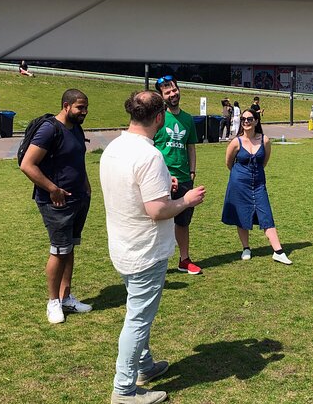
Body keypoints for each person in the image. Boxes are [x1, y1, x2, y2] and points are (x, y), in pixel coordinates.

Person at [101, 91, 206, 404]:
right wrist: (185, 200)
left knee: (139, 311)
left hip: (122, 247)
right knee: (138, 319)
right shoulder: (149, 155)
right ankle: (124, 390)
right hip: (144, 251)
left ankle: (144, 365)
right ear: (159, 118)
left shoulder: (115, 147)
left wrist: (165, 187)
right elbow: (157, 211)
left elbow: (135, 191)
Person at [20, 89, 91, 324]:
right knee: (58, 251)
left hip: (78, 198)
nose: (84, 112)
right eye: (80, 107)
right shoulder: (50, 129)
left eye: (86, 107)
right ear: (66, 105)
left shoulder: (76, 128)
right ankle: (53, 302)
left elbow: (76, 160)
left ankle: (66, 297)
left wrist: (86, 186)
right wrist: (53, 189)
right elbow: (27, 164)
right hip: (56, 202)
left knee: (69, 248)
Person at [222, 108, 292, 265]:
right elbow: (229, 163)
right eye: (244, 119)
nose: (246, 121)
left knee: (265, 213)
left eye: (250, 119)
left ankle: (278, 251)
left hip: (259, 183)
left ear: (256, 121)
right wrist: (239, 176)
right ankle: (246, 248)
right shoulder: (236, 141)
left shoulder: (264, 140)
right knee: (242, 215)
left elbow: (264, 161)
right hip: (239, 183)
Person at [153, 75, 202, 275]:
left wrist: (191, 172)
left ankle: (184, 259)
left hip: (183, 178)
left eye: (174, 90)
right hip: (159, 178)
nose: (172, 94)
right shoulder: (157, 118)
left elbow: (190, 147)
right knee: (157, 220)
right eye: (167, 92)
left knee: (183, 222)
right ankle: (155, 263)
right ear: (161, 96)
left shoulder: (188, 118)